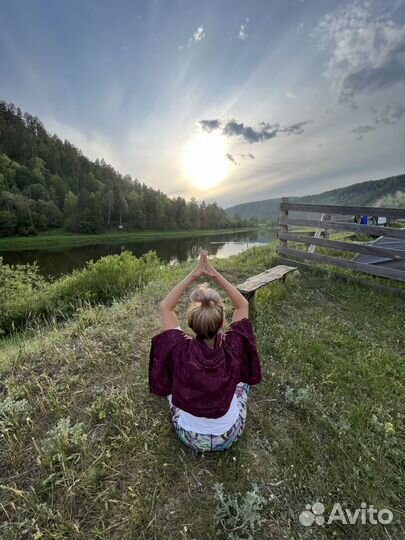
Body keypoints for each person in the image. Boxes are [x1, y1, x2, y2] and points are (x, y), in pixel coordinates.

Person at [149, 250, 262, 453]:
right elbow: (243, 304)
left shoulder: (178, 349)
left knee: (172, 392)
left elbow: (166, 307)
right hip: (229, 435)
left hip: (190, 437)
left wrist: (194, 274)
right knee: (243, 384)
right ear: (222, 323)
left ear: (192, 324)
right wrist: (214, 274)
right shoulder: (234, 346)